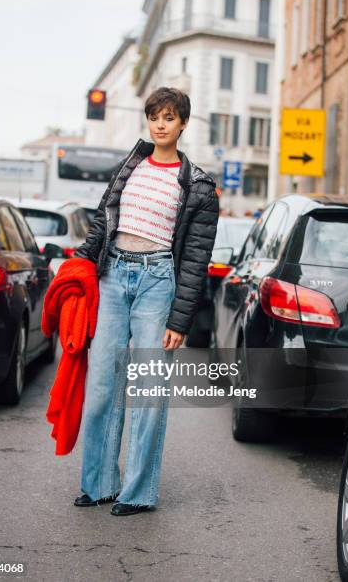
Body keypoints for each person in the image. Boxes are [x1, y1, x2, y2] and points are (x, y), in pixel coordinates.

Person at [73, 86, 219, 516]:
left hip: (159, 282)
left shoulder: (198, 187)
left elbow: (195, 259)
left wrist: (180, 318)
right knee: (102, 387)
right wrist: (81, 265)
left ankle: (137, 492)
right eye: (154, 115)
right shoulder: (128, 167)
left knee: (148, 392)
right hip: (113, 276)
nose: (160, 123)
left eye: (169, 117)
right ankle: (98, 482)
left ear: (183, 124)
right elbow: (104, 222)